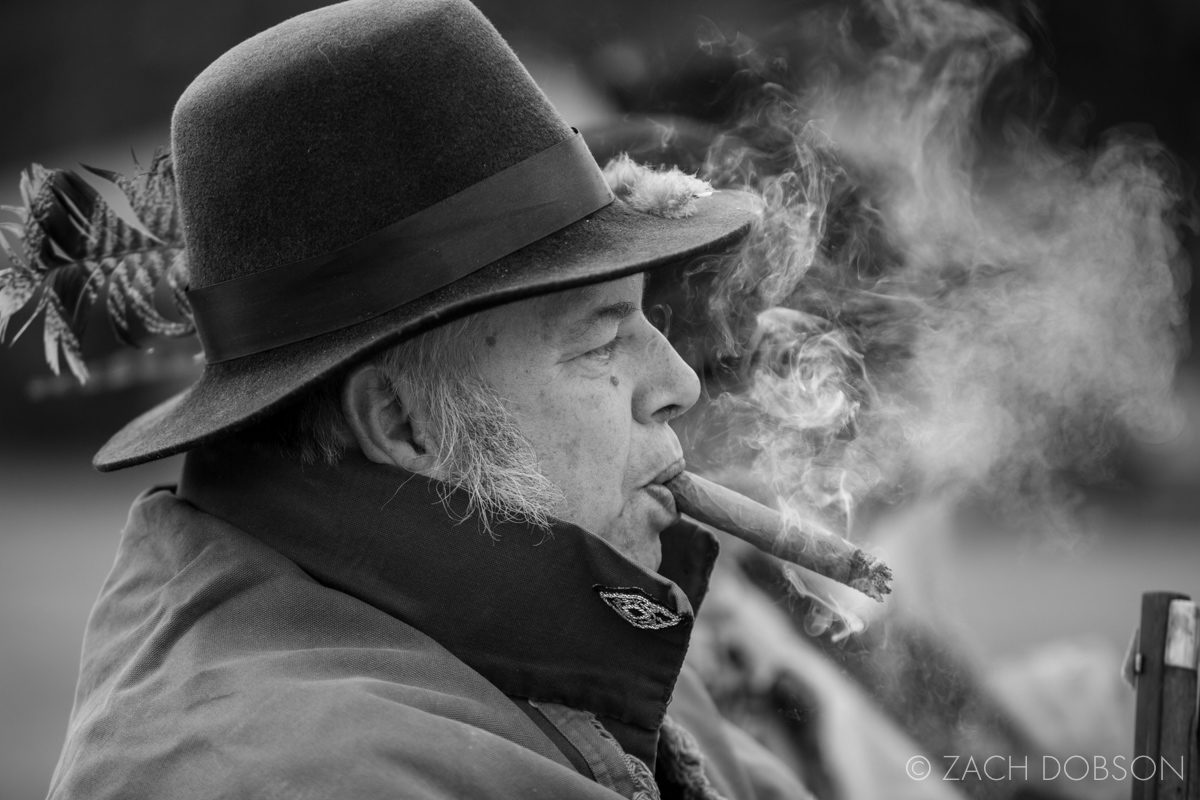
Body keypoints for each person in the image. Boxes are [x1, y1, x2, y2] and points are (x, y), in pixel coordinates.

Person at [29, 0, 817, 797]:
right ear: (401, 423)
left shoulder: (566, 608)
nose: (680, 383)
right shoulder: (311, 776)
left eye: (643, 316)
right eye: (599, 339)